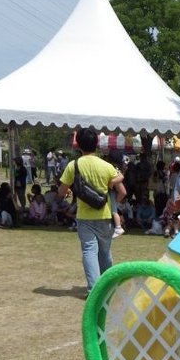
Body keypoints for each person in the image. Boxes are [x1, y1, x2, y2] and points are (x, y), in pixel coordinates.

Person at [58, 127, 125, 296]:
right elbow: (121, 190)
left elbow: (61, 191)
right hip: (105, 215)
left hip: (84, 216)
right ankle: (108, 287)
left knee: (89, 251)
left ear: (78, 145)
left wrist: (70, 191)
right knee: (105, 252)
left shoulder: (73, 165)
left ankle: (94, 291)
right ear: (96, 143)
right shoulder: (107, 166)